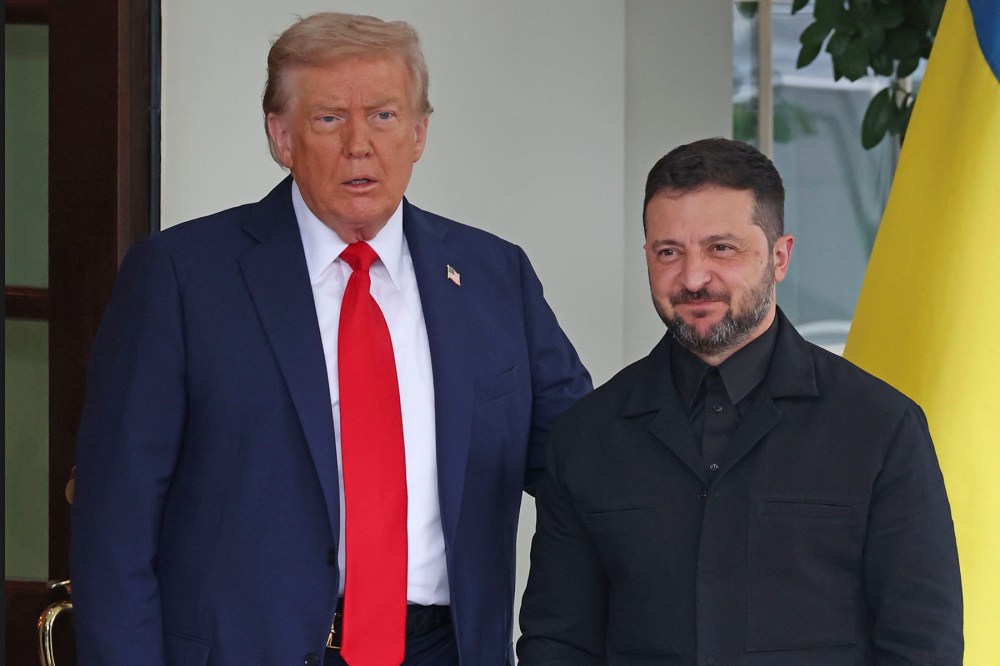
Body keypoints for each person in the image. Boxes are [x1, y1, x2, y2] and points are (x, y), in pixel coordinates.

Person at [70, 12, 591, 666]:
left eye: (383, 116)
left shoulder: (494, 277)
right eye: (327, 119)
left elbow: (589, 466)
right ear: (280, 137)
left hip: (443, 651)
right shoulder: (180, 279)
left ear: (421, 132)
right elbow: (113, 528)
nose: (359, 144)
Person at [517, 138, 963, 665]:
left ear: (779, 256)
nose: (693, 277)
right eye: (669, 252)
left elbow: (921, 646)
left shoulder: (881, 428)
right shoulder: (587, 435)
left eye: (721, 248)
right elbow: (559, 642)